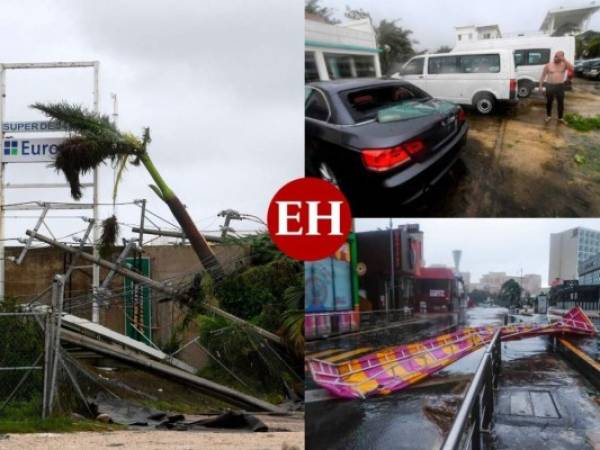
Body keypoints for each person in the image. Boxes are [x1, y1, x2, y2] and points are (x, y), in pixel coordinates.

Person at [539, 51, 574, 124]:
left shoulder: (564, 65)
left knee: (560, 103)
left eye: (558, 56)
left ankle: (560, 118)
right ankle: (548, 116)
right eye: (555, 56)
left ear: (562, 58)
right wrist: (540, 86)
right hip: (549, 85)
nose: (556, 58)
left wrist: (564, 59)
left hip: (560, 86)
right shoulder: (548, 65)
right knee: (549, 102)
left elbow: (572, 68)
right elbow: (543, 76)